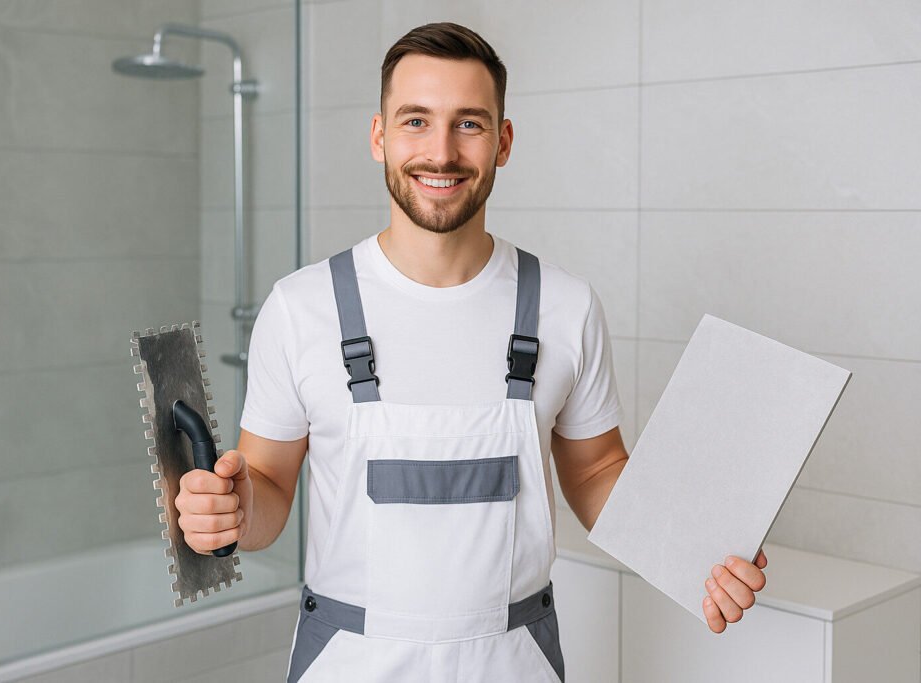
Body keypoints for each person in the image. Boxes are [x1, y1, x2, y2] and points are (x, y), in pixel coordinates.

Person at [173, 21, 768, 682]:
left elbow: (597, 469)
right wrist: (232, 510)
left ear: (503, 142)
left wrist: (695, 549)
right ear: (379, 136)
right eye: (416, 121)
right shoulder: (300, 308)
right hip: (350, 662)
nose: (442, 152)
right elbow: (272, 484)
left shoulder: (566, 307)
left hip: (512, 663)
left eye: (470, 124)